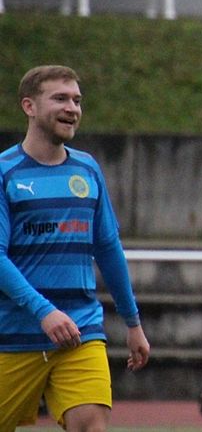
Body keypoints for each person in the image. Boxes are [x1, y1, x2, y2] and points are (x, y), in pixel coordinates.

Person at [0, 65, 150, 432]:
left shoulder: (87, 169)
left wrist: (132, 322)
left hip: (80, 332)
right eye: (60, 98)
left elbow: (108, 248)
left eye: (77, 100)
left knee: (91, 427)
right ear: (29, 106)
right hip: (12, 335)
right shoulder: (5, 173)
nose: (72, 108)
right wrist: (44, 312)